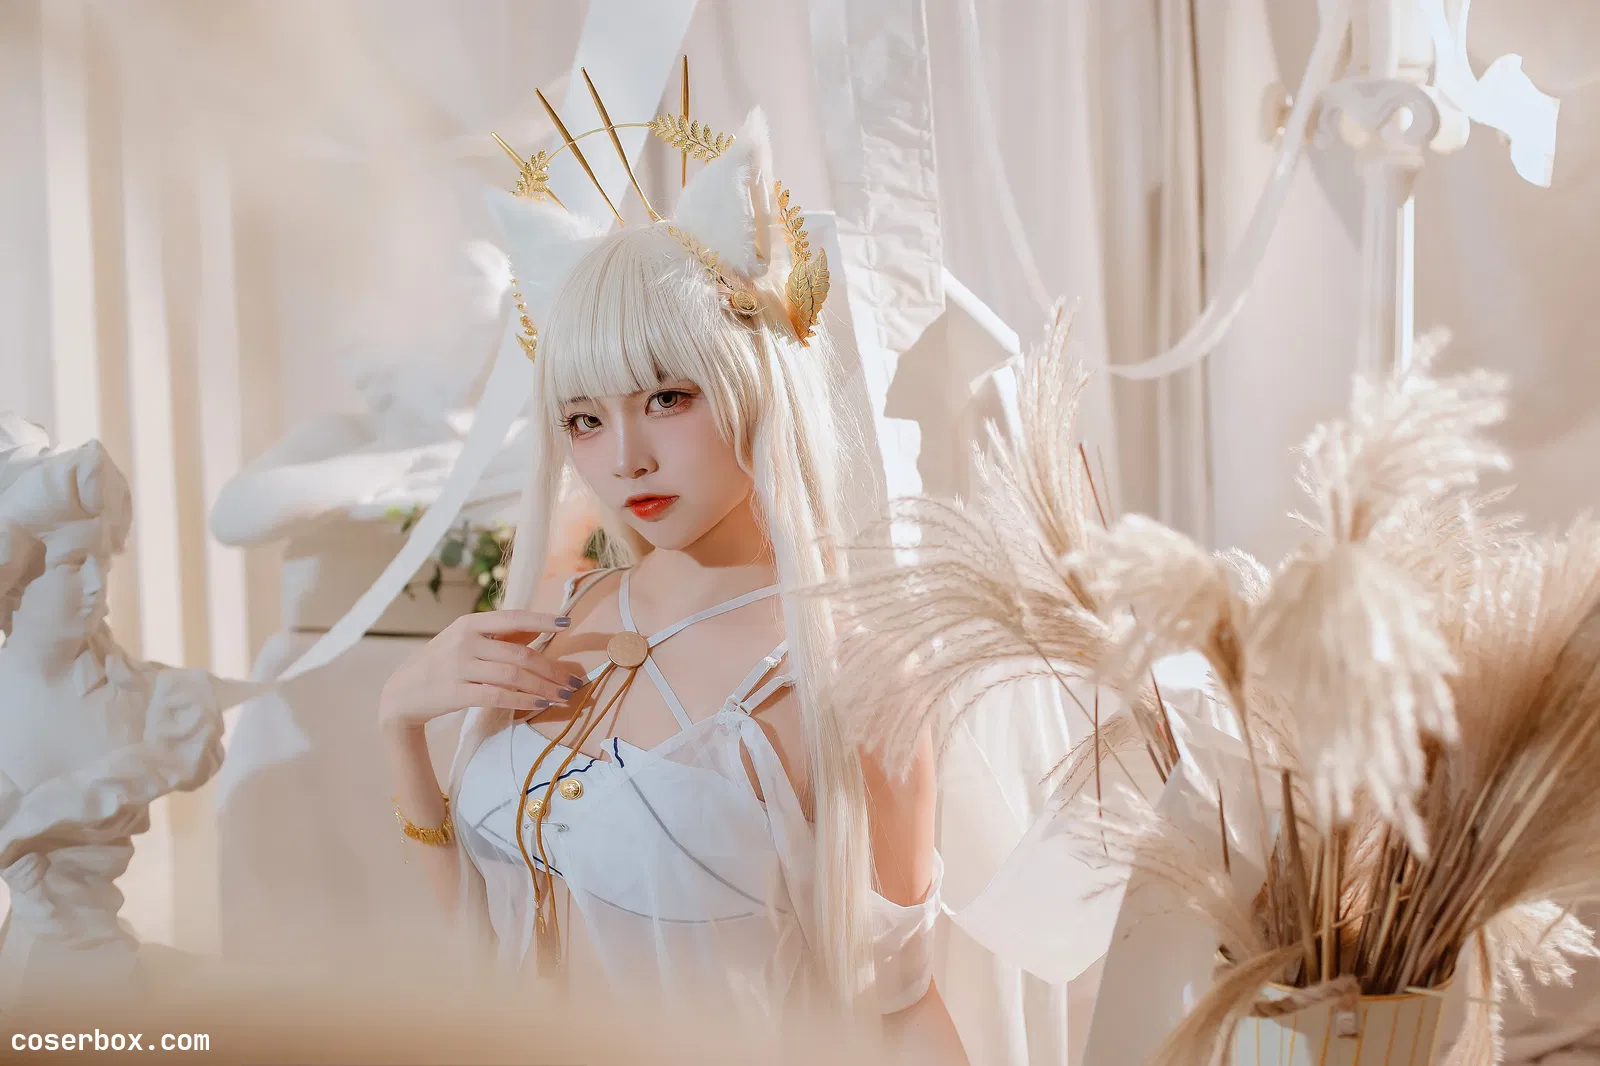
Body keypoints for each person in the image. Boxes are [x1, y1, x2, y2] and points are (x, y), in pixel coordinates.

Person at [377, 96, 966, 1061]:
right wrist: (401, 727)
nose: (625, 459)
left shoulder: (851, 679)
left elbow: (898, 1006)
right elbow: (482, 937)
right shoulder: (567, 615)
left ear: (754, 385)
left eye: (666, 397)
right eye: (585, 419)